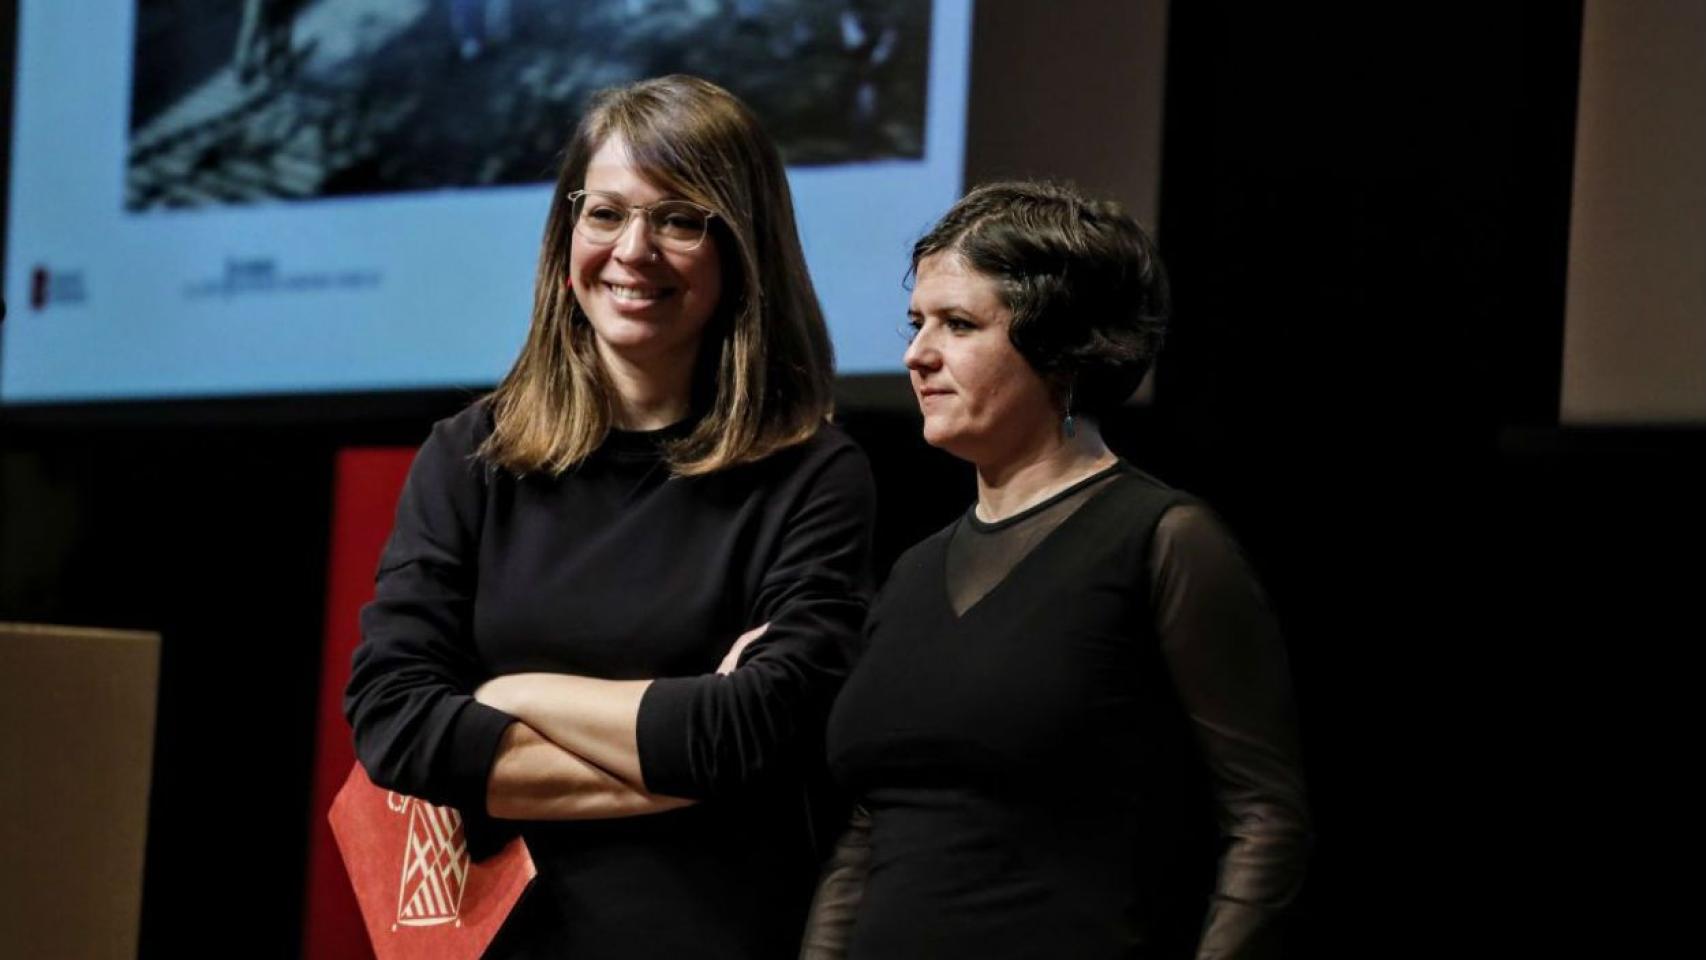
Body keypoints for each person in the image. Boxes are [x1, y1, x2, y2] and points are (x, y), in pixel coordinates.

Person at [344, 75, 875, 959]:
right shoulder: (471, 457)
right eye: (605, 213)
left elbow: (758, 731)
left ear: (742, 248)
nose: (634, 250)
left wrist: (509, 697)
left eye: (681, 218)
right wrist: (684, 759)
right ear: (566, 237)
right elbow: (394, 723)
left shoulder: (812, 474)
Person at [805, 181, 1310, 959]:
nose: (916, 354)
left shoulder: (1163, 540)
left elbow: (1264, 817)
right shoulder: (912, 572)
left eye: (959, 325)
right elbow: (870, 833)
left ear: (1061, 348)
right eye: (916, 324)